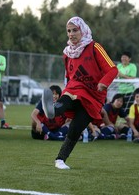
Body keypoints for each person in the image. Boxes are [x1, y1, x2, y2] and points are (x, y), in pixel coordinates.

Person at [42, 16, 118, 169]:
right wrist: (66, 88)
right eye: (68, 31)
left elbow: (113, 69)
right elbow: (68, 77)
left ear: (82, 30)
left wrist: (104, 82)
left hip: (94, 97)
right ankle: (52, 110)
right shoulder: (67, 53)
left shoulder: (95, 47)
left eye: (75, 30)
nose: (71, 34)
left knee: (76, 128)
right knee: (67, 97)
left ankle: (60, 160)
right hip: (74, 88)